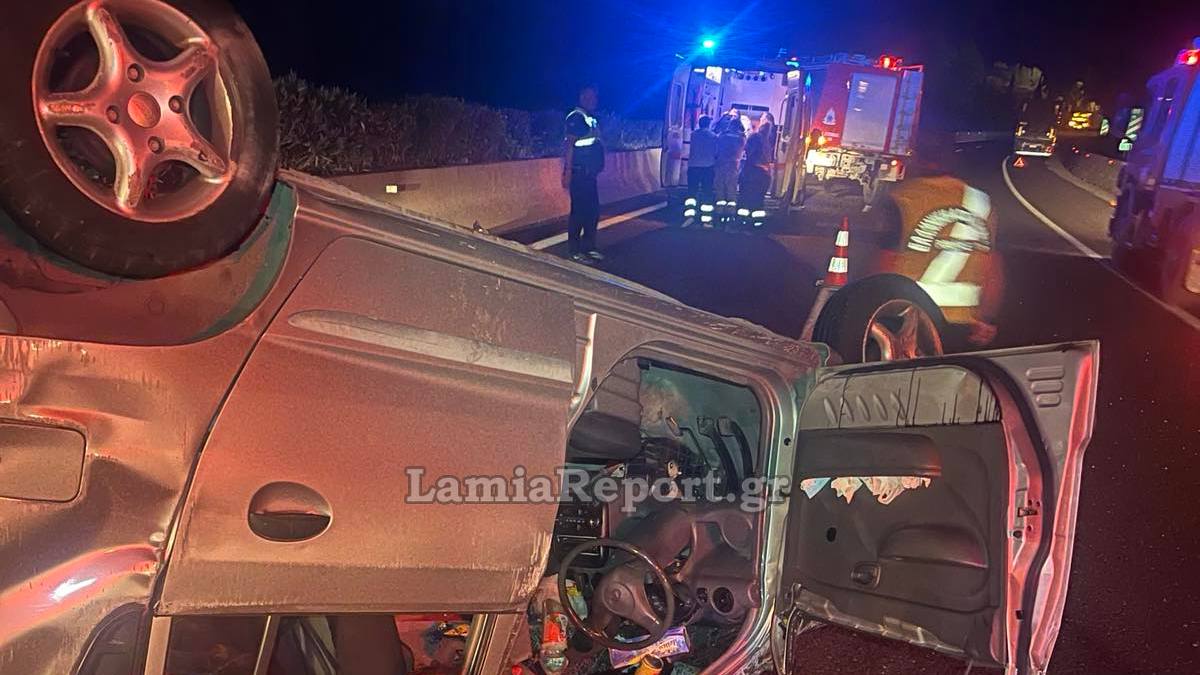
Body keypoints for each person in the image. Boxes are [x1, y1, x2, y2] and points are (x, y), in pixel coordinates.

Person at [563, 86, 605, 262]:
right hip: (579, 173)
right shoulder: (576, 118)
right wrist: (567, 171)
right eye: (591, 97)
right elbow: (569, 146)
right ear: (582, 98)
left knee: (592, 212)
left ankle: (589, 247)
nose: (594, 100)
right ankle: (574, 251)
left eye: (595, 97)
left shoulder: (590, 119)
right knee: (579, 213)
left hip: (590, 175)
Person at [737, 112, 774, 229]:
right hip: (763, 176)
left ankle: (742, 222)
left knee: (745, 199)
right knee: (758, 201)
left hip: (751, 174)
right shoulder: (767, 142)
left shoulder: (754, 138)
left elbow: (749, 153)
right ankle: (756, 224)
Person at [713, 111, 746, 227]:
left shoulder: (723, 136)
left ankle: (719, 213)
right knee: (731, 191)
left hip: (721, 165)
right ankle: (731, 214)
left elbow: (716, 147)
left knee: (720, 190)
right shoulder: (741, 139)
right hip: (733, 167)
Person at [683, 115, 717, 226]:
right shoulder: (713, 136)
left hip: (693, 167)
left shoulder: (693, 135)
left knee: (692, 192)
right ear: (709, 124)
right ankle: (706, 220)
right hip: (707, 168)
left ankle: (689, 216)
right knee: (707, 193)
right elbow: (716, 152)